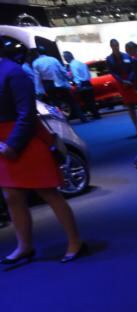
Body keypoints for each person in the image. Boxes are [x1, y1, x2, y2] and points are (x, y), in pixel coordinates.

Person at [0, 40, 86, 264]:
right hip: (4, 140)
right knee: (12, 197)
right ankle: (24, 246)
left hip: (25, 140)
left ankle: (75, 241)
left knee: (49, 193)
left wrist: (13, 144)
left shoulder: (13, 72)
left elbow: (26, 113)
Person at [106, 39, 137, 137]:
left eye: (116, 45)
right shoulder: (109, 59)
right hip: (122, 84)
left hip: (131, 82)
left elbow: (133, 69)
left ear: (118, 45)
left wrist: (129, 80)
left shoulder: (126, 55)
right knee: (130, 107)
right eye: (113, 46)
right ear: (111, 46)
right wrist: (122, 81)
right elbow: (113, 72)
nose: (115, 47)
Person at [32, 47, 83, 121]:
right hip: (59, 83)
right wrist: (69, 79)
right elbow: (62, 71)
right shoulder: (53, 59)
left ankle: (60, 121)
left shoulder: (36, 62)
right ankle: (82, 117)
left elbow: (37, 78)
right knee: (71, 100)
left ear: (38, 53)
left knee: (53, 103)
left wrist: (38, 91)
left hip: (48, 85)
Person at [63, 51, 100, 120]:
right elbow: (88, 74)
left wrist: (77, 85)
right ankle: (96, 114)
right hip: (88, 83)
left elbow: (76, 76)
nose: (65, 59)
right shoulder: (81, 63)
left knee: (86, 101)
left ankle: (94, 114)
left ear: (69, 57)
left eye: (65, 57)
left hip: (81, 84)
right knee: (91, 100)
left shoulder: (72, 65)